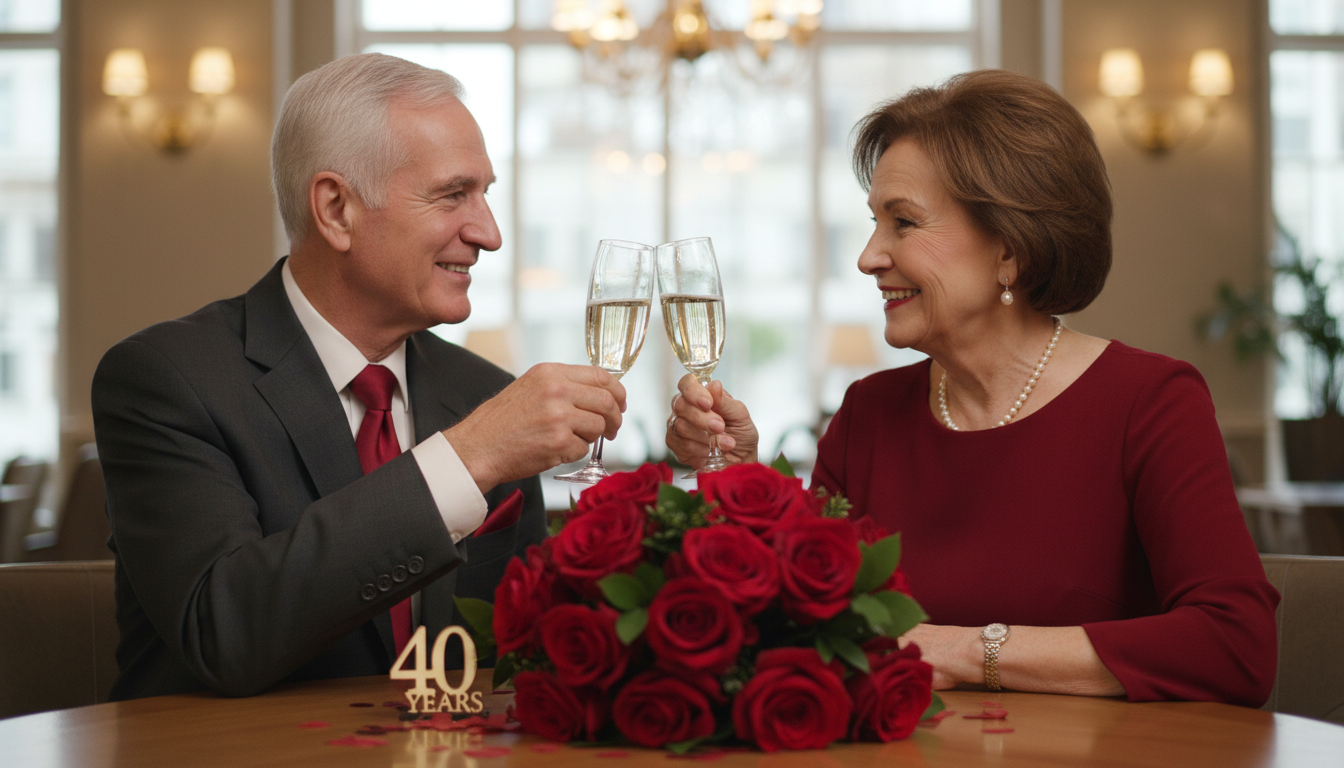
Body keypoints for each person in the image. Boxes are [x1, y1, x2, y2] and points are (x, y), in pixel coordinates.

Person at [664, 69, 1278, 706]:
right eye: (875, 222)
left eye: (903, 223)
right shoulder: (868, 414)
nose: (869, 256)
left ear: (1011, 249)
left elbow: (1236, 646)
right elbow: (800, 630)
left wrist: (959, 651)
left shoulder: (1150, 402)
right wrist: (733, 478)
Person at [93, 53, 626, 700]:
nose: (489, 234)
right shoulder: (166, 380)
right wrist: (469, 456)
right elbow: (223, 632)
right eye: (453, 194)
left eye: (486, 194)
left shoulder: (481, 393)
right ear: (336, 208)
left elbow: (545, 653)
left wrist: (714, 480)